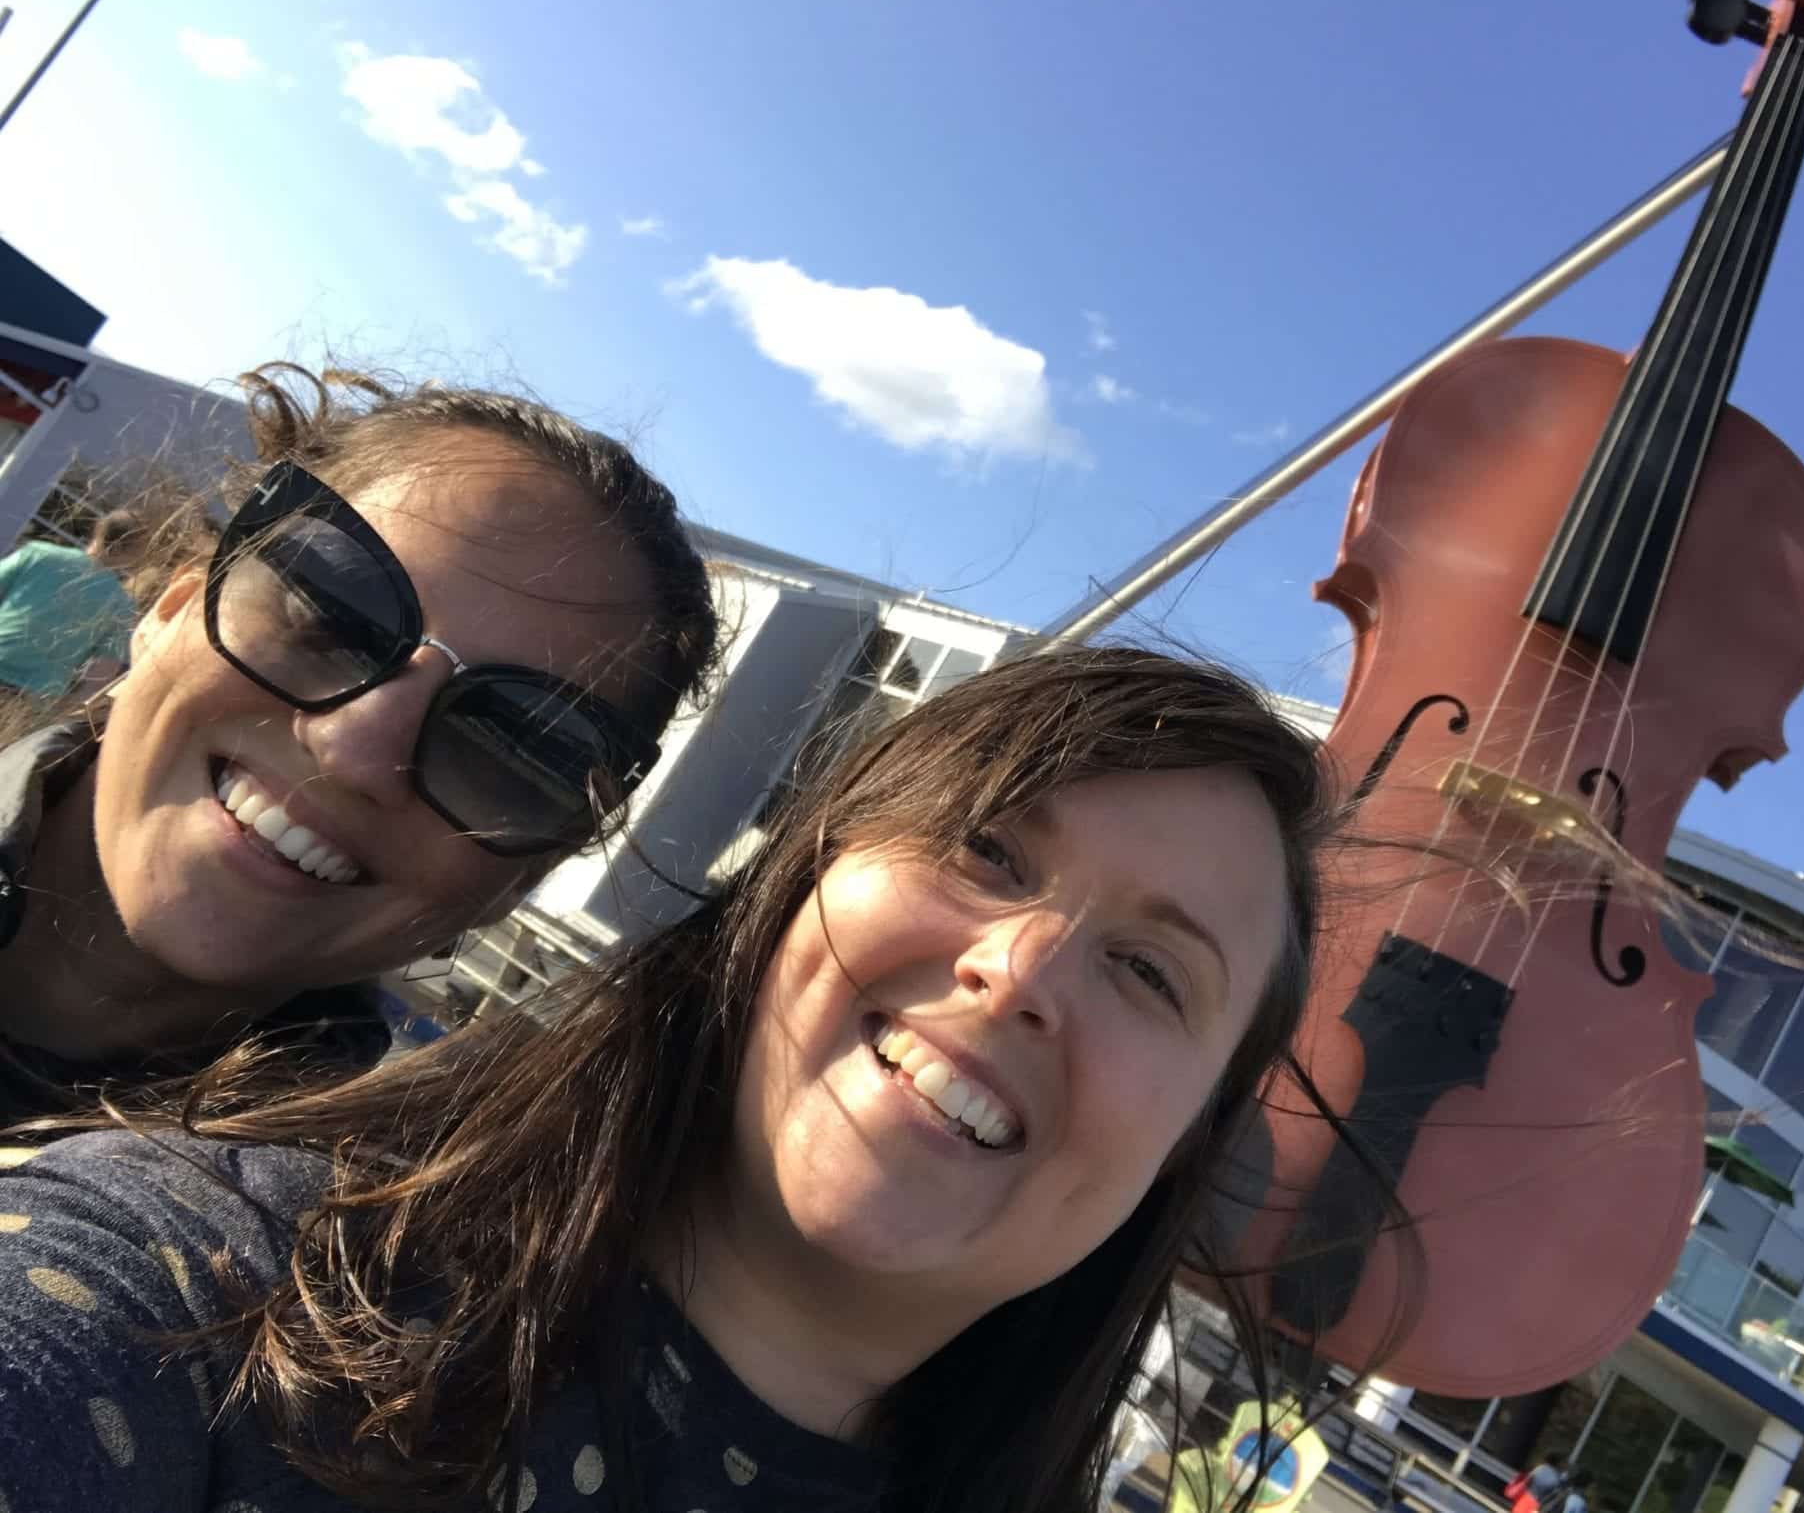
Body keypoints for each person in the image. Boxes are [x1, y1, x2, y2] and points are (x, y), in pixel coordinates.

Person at [0, 645, 1392, 1513]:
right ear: (789, 891)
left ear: (1186, 1152)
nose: (1022, 970)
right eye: (987, 852)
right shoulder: (212, 1278)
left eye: (1155, 974)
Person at [0, 362, 719, 1120]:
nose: (358, 752)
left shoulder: (358, 1228)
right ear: (174, 608)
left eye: (513, 745)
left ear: (523, 878)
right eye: (330, 611)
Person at [0, 505, 147, 700]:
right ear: (135, 553)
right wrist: (63, 712)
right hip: (32, 695)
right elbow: (101, 672)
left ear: (98, 528)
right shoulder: (121, 605)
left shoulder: (37, 554)